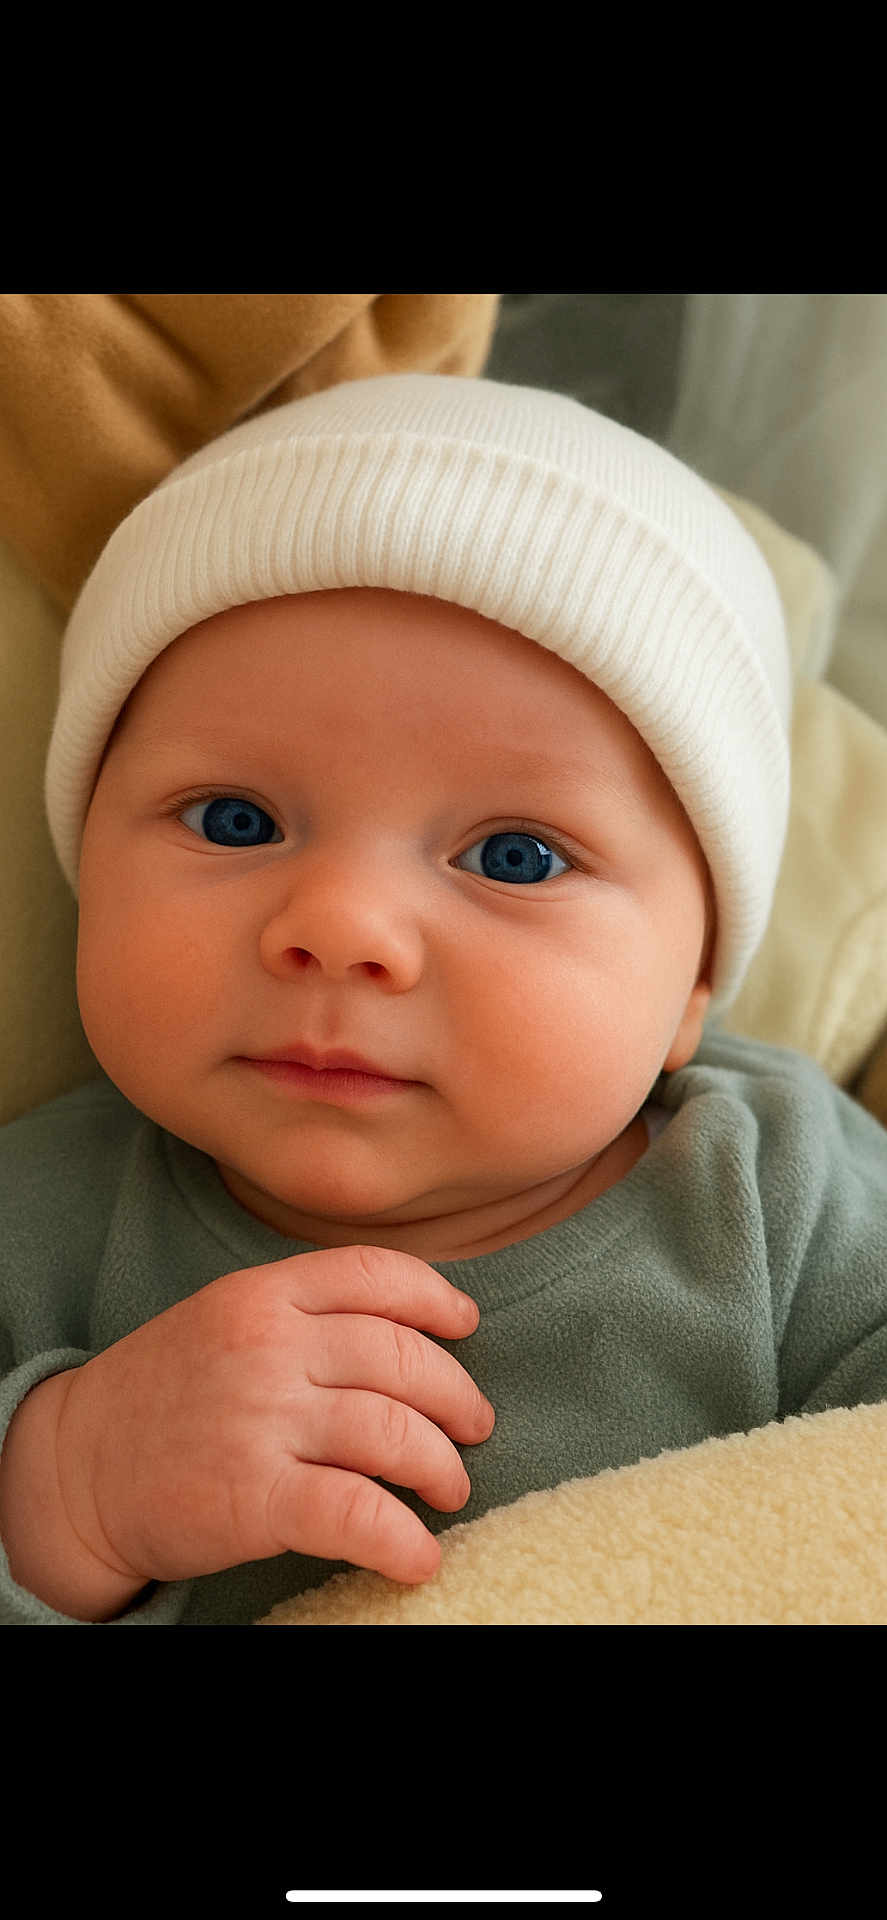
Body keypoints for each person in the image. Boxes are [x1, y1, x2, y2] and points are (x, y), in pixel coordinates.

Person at [1, 373, 885, 1627]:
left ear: (691, 986)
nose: (341, 929)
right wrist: (65, 1494)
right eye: (236, 821)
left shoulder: (781, 1196)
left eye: (514, 857)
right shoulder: (39, 1222)